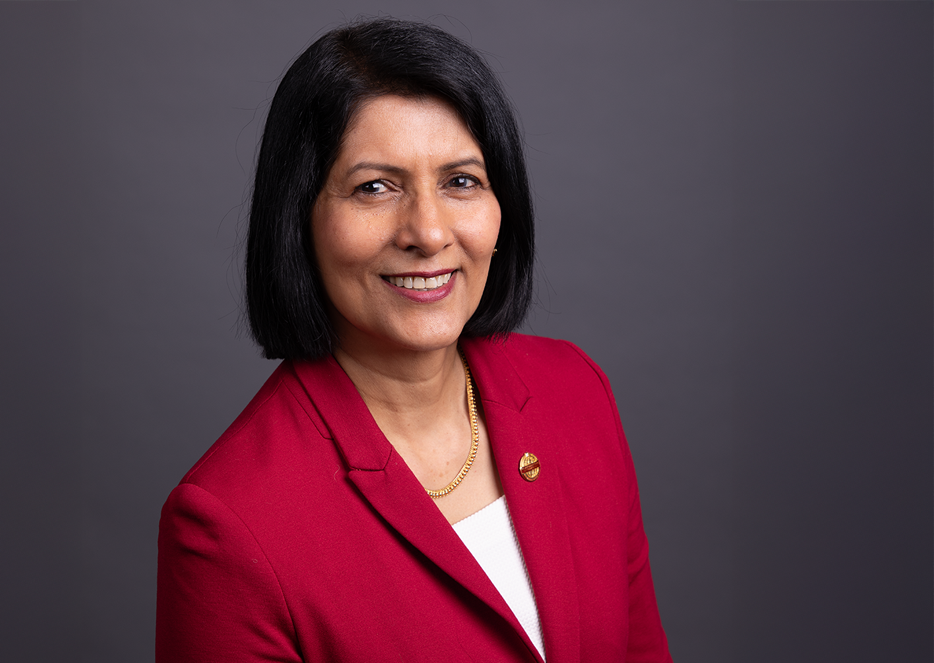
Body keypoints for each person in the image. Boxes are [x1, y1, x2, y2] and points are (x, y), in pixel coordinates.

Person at [157, 18, 672, 663]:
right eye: (375, 187)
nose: (428, 233)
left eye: (461, 180)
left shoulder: (576, 393)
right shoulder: (228, 525)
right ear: (299, 216)